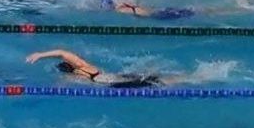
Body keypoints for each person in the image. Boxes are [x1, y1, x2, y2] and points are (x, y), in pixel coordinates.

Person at [25, 49, 183, 89]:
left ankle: (185, 78)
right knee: (153, 79)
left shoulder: (79, 70)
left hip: (113, 83)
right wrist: (41, 54)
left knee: (155, 83)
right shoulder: (86, 67)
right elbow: (61, 53)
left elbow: (62, 53)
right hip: (115, 77)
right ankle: (182, 77)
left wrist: (40, 54)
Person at [97, 0, 196, 20]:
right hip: (157, 14)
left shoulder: (121, 9)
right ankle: (206, 10)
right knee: (187, 12)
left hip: (157, 15)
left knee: (186, 12)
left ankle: (206, 11)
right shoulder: (122, 10)